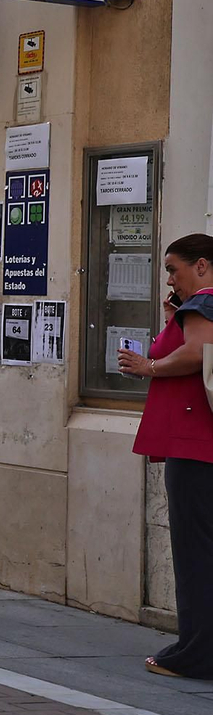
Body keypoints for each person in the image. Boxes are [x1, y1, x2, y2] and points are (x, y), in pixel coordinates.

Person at [121, 233, 213, 678]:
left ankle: (196, 653)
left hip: (195, 447)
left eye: (174, 269)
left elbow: (196, 354)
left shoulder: (204, 303)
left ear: (201, 265)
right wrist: (173, 319)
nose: (170, 278)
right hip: (200, 445)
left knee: (195, 553)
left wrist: (148, 367)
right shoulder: (195, 309)